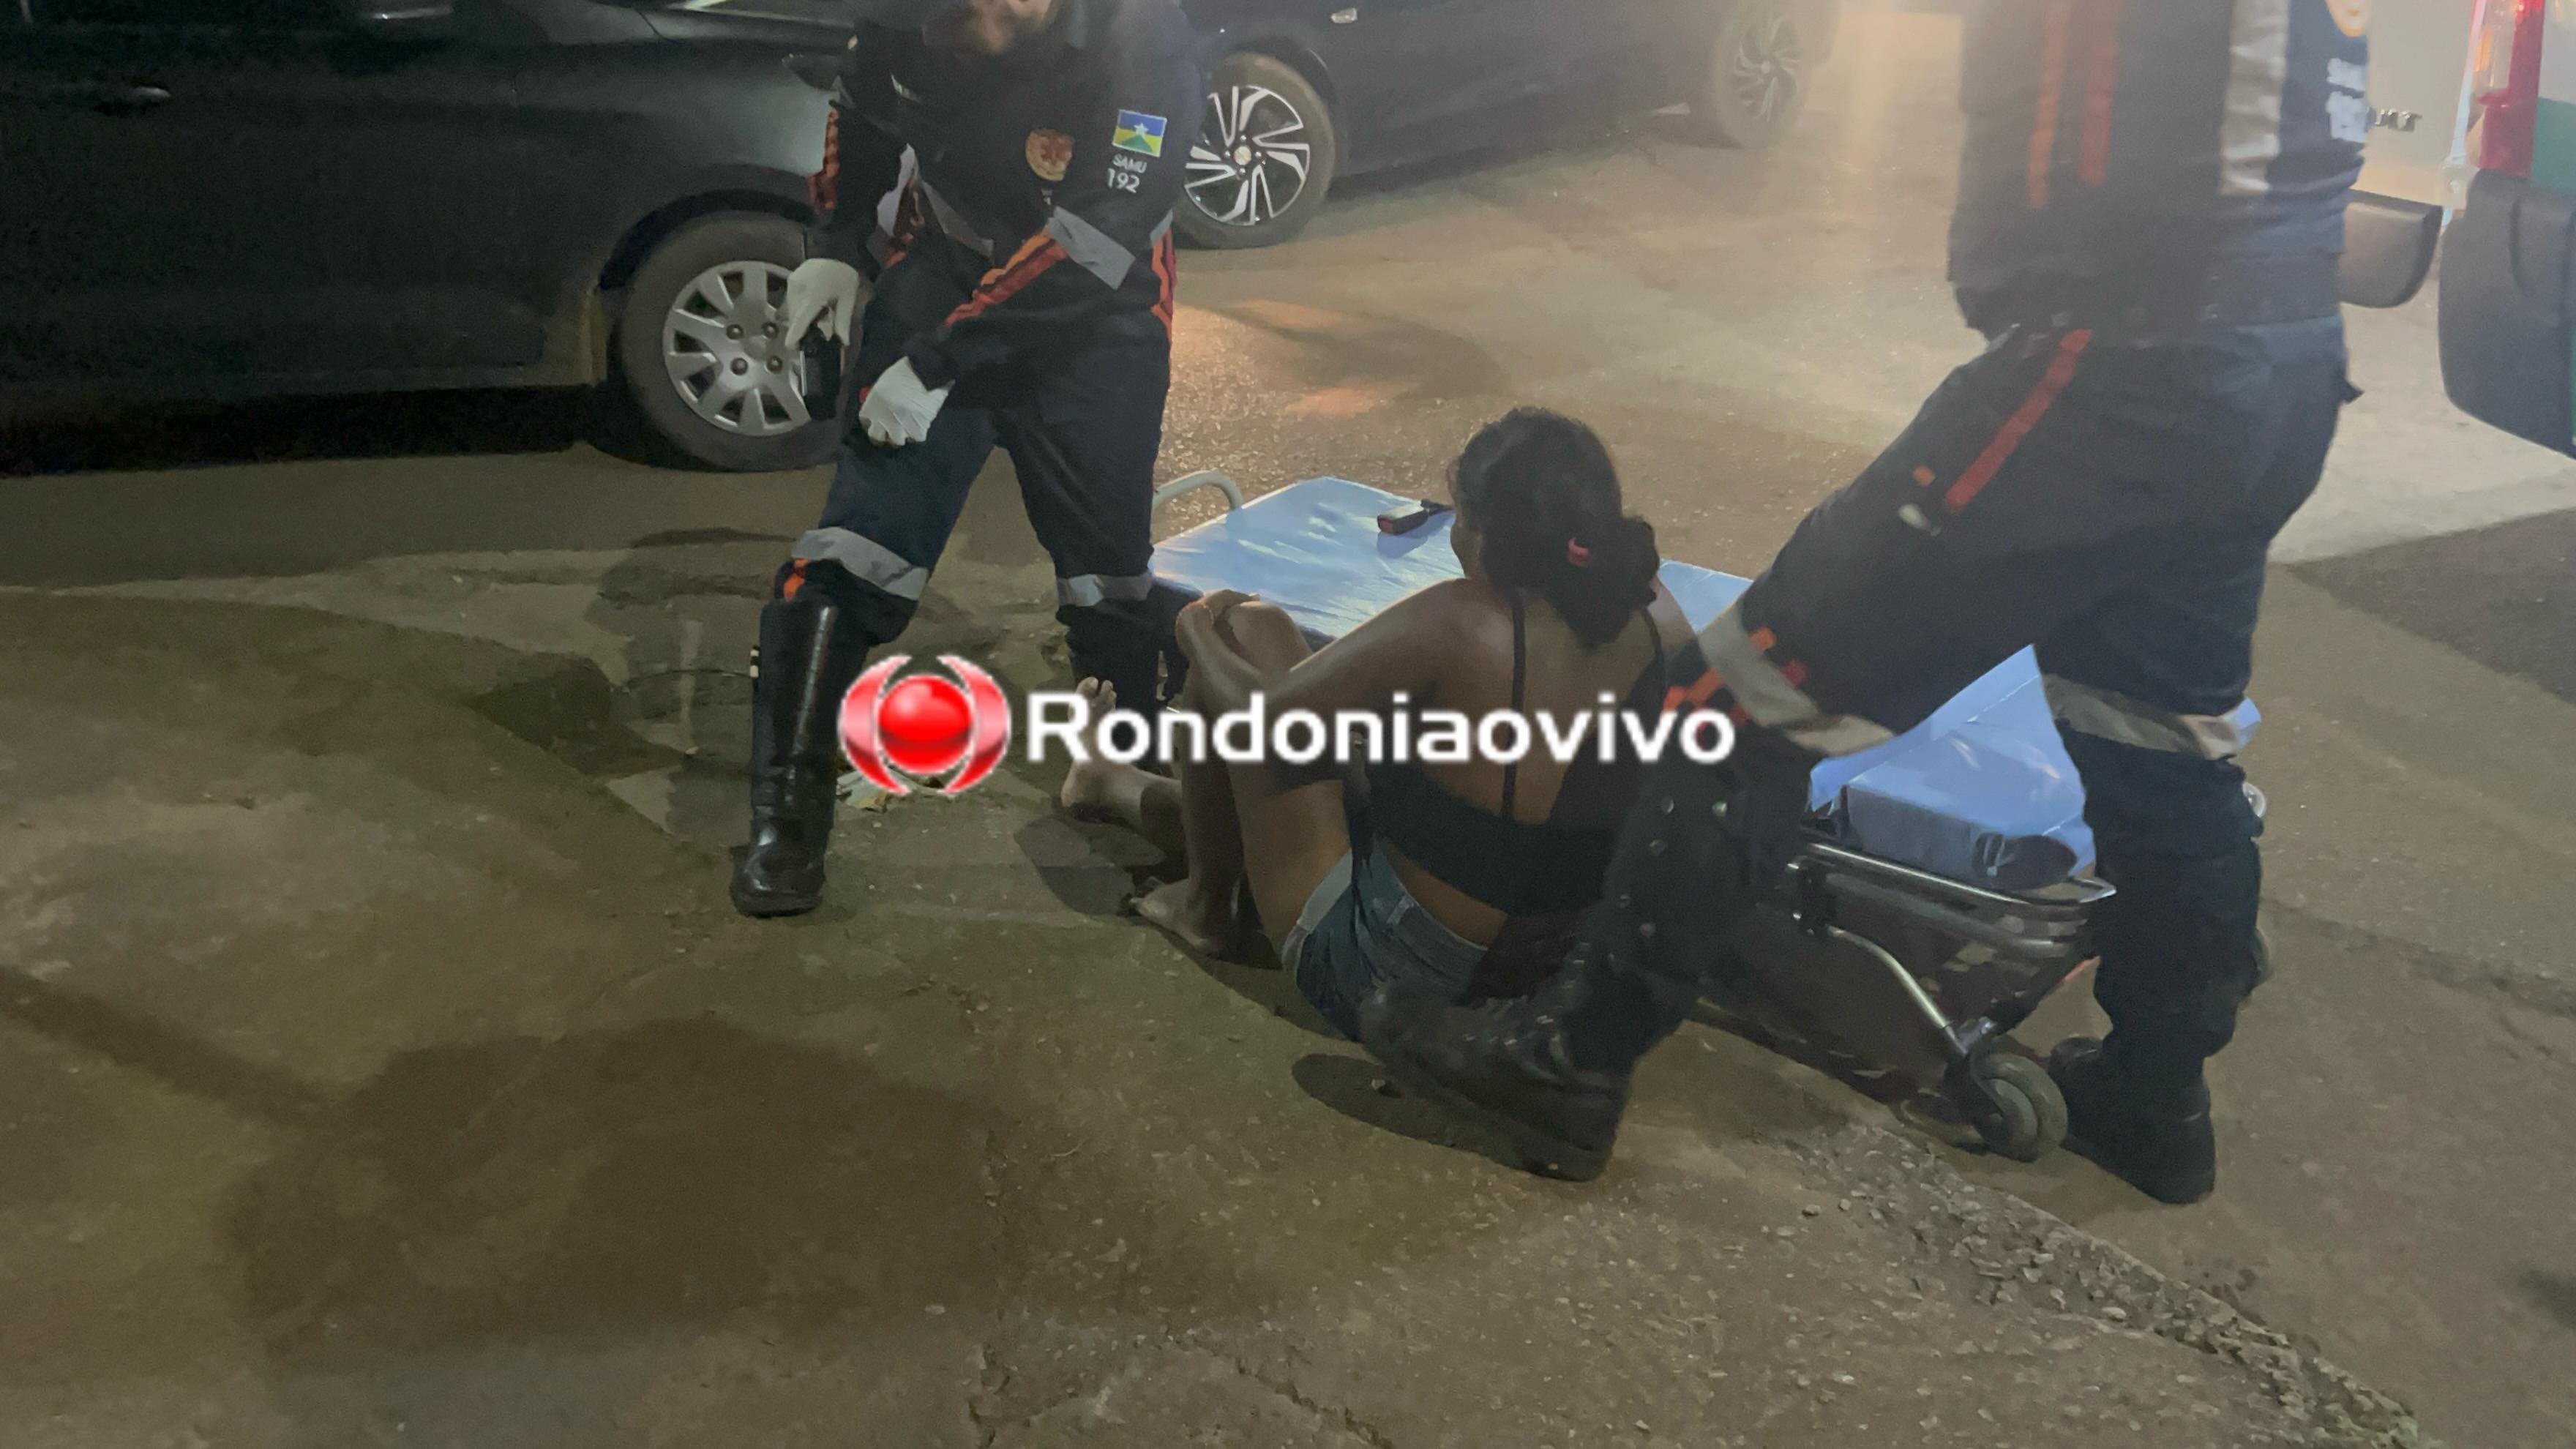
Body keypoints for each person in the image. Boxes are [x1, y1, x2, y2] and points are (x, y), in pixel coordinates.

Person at [1361, 0, 2370, 1200]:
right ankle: (2159, 1097)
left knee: (1730, 707)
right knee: (2159, 744)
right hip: (2278, 353)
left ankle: (1570, 1060)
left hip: (2117, 362)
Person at [732, 0, 1203, 918]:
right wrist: (836, 246)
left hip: (1096, 318)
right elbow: (861, 113)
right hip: (946, 277)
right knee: (853, 551)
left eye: (950, 19)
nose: (931, 41)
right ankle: (785, 820)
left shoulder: (1142, 43)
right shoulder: (903, 25)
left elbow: (1099, 239)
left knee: (1107, 579)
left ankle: (1128, 771)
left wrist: (938, 362)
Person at [1059, 410, 1692, 1038]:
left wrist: (1194, 629)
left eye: (1460, 520)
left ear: (1488, 535)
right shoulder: (1654, 608)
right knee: (1274, 652)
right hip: (1553, 970)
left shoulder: (1465, 620)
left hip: (1400, 981)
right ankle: (1106, 780)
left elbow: (1259, 724)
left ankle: (1203, 907)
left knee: (1234, 639)